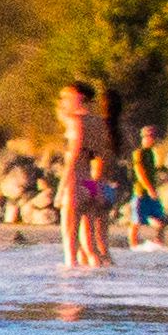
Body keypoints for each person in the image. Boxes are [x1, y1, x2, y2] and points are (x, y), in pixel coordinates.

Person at [56, 78, 115, 271]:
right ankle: (98, 289)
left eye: (66, 97)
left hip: (75, 182)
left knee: (70, 249)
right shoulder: (100, 123)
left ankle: (72, 295)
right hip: (91, 183)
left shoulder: (76, 121)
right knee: (90, 248)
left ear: (78, 97)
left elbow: (73, 155)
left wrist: (60, 189)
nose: (62, 101)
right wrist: (98, 186)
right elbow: (102, 157)